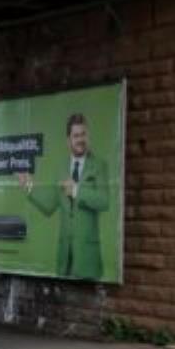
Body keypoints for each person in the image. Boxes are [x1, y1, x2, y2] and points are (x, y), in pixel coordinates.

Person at [17, 113, 109, 280]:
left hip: (88, 259)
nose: (80, 139)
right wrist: (29, 187)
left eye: (83, 134)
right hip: (65, 260)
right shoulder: (61, 167)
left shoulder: (99, 165)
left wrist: (76, 191)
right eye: (76, 136)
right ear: (68, 140)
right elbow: (50, 205)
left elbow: (104, 201)